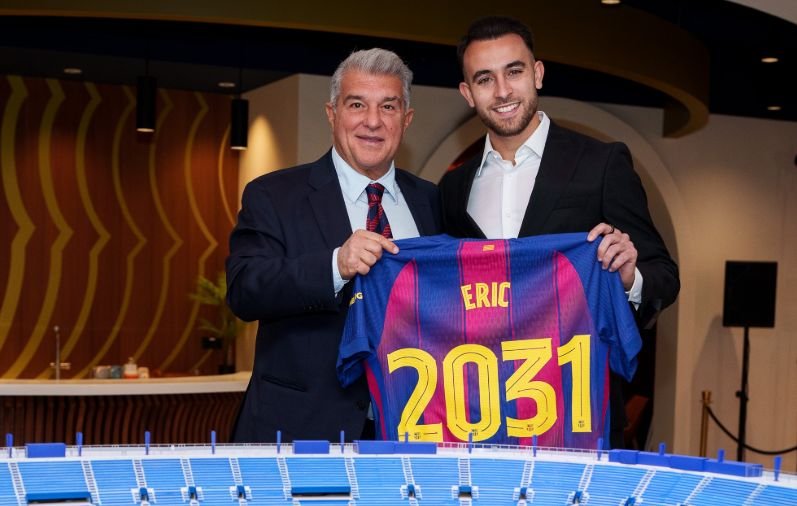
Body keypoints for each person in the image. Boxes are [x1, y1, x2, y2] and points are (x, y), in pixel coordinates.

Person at [439, 16, 679, 448]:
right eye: (485, 79)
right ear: (468, 93)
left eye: (514, 71)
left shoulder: (601, 164)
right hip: (479, 416)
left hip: (580, 412)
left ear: (537, 73)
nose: (503, 91)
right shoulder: (453, 188)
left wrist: (630, 276)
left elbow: (664, 275)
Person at [226, 48, 441, 443]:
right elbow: (245, 289)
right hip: (302, 433)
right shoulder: (274, 194)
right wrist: (335, 265)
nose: (372, 121)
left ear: (406, 119)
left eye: (388, 106)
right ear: (332, 113)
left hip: (411, 432)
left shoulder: (431, 200)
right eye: (357, 104)